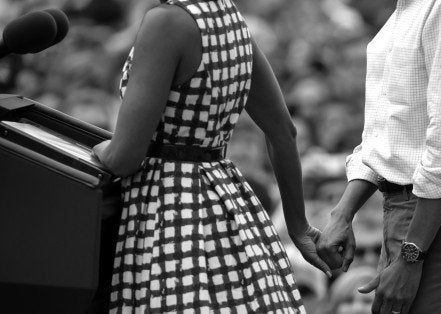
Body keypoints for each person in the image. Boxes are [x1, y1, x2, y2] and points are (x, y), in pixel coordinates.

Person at [92, 0, 331, 311]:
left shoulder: (165, 22)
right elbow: (284, 133)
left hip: (165, 211)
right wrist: (298, 226)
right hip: (226, 201)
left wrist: (95, 148)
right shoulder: (228, 17)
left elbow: (123, 158)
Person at [316, 0, 441, 312]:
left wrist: (412, 256)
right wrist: (343, 213)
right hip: (417, 212)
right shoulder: (410, 9)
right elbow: (388, 137)